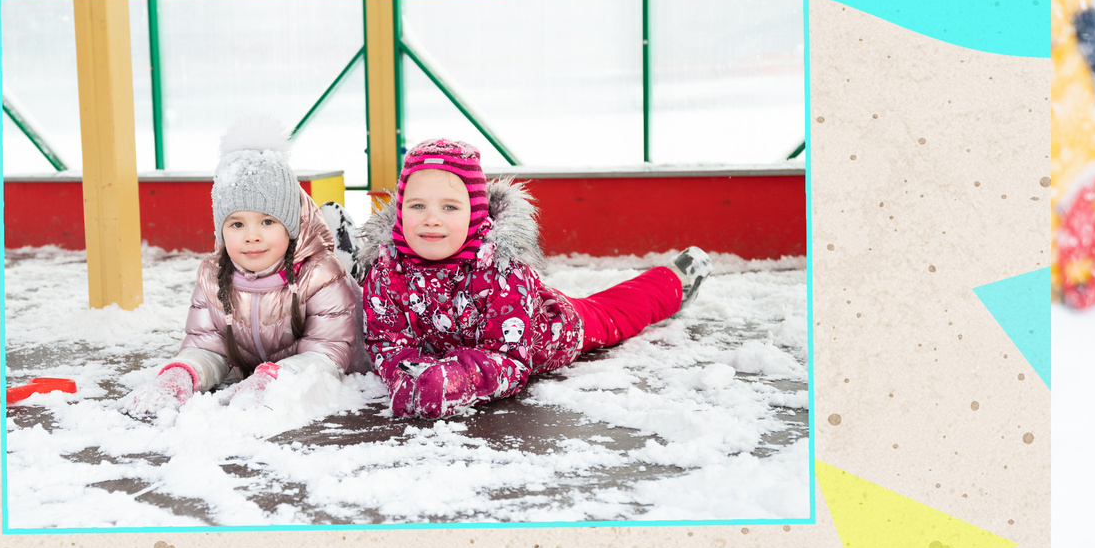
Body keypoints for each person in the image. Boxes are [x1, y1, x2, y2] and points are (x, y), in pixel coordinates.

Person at [353, 139, 709, 420]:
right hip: (461, 349)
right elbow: (387, 342)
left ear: (476, 212)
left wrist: (452, 380)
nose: (431, 219)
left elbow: (508, 358)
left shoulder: (502, 271)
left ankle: (674, 281)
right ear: (400, 210)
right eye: (417, 206)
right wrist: (407, 377)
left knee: (616, 312)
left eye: (449, 207)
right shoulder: (386, 269)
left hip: (551, 327)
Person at [124, 122, 367, 416]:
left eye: (267, 222)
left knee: (351, 276)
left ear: (290, 225)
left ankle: (347, 248)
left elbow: (327, 353)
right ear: (221, 231)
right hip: (262, 363)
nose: (252, 236)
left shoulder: (320, 276)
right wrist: (184, 373)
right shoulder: (214, 278)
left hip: (340, 359)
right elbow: (207, 345)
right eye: (237, 224)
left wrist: (276, 377)